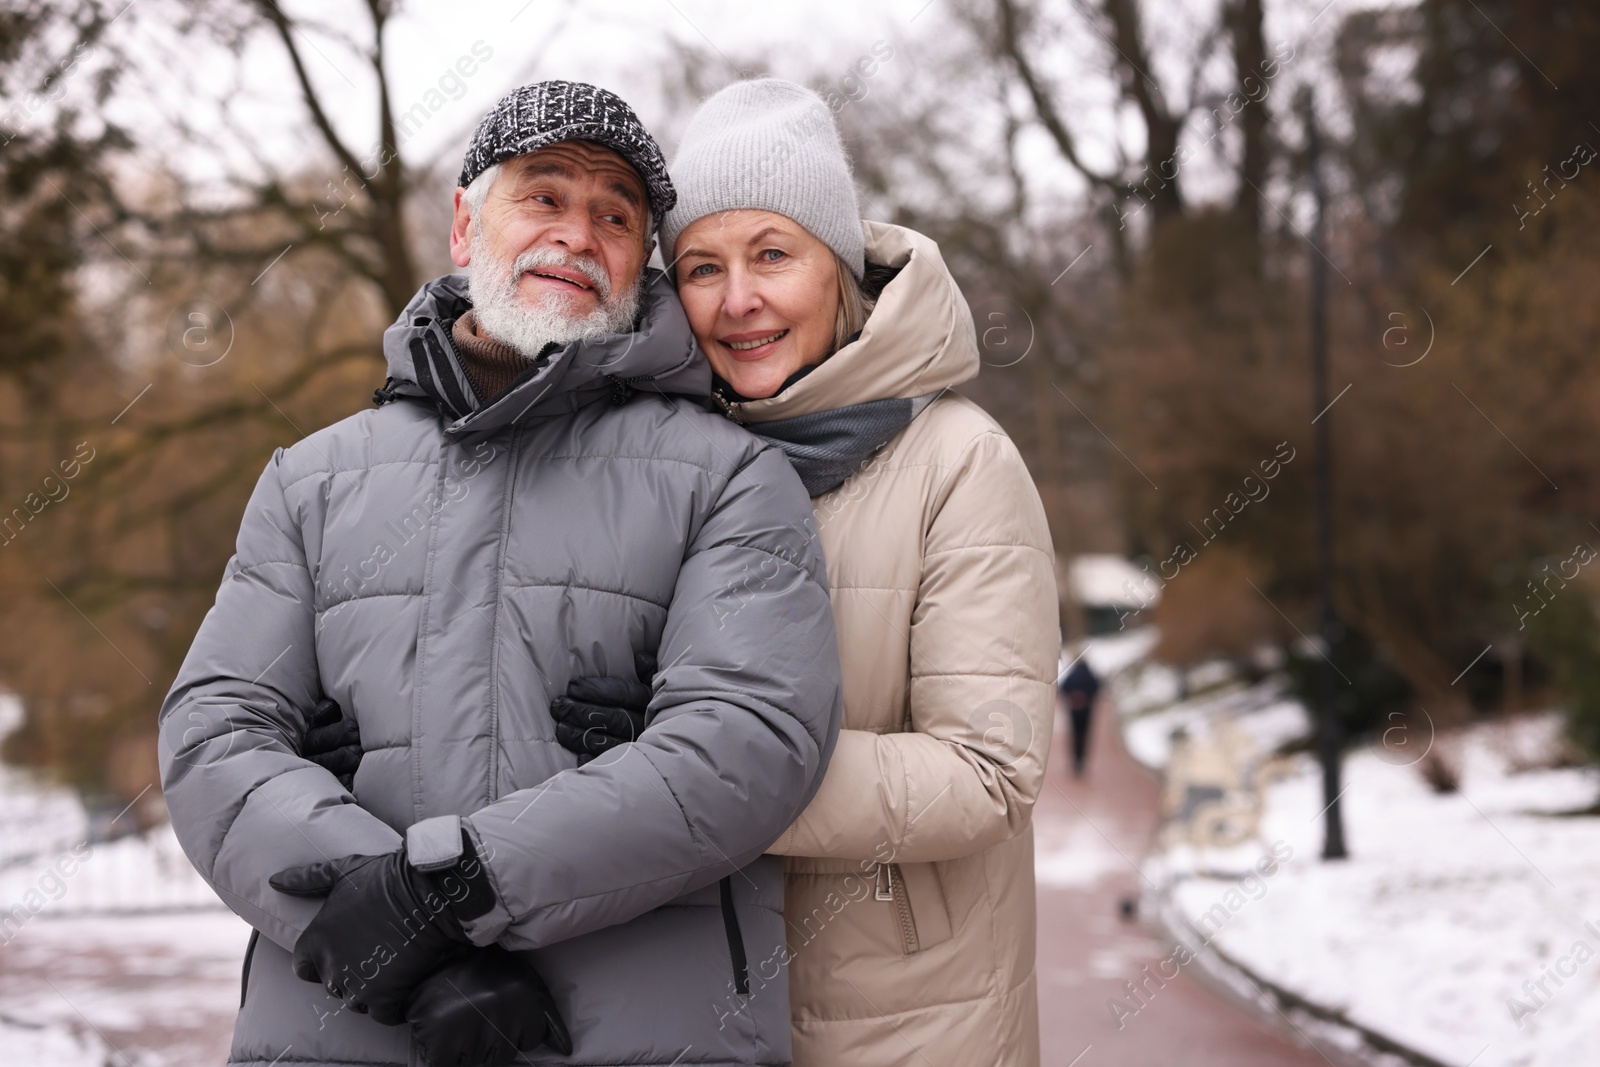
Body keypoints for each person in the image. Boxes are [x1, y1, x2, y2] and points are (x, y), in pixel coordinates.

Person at [158, 80, 841, 1067]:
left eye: (614, 215)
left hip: (650, 1031)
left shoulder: (730, 477)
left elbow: (750, 733)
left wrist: (450, 887)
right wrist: (398, 936)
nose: (576, 233)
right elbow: (214, 730)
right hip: (344, 1027)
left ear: (636, 262)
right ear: (464, 222)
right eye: (545, 195)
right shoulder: (308, 481)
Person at [552, 80, 1059, 1066]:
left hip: (909, 1017)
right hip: (689, 1000)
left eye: (773, 255)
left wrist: (711, 768)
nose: (738, 300)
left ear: (838, 267)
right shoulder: (656, 464)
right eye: (702, 266)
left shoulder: (958, 462)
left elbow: (989, 772)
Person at [1060, 658, 1102, 777]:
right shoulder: (1090, 675)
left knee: (1074, 735)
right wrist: (1087, 698)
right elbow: (1097, 688)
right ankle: (1081, 761)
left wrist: (1072, 698)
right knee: (1084, 735)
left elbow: (1063, 688)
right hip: (1086, 710)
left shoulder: (1072, 675)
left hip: (1074, 709)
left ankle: (1075, 761)